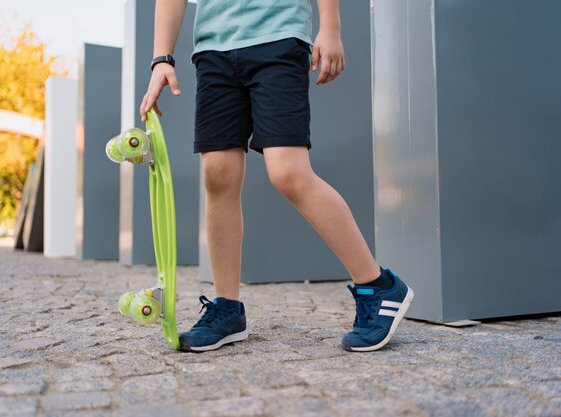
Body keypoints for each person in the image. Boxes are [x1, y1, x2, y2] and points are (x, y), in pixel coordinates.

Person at [140, 0, 414, 352]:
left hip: (279, 38)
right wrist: (161, 58)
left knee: (288, 172)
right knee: (217, 174)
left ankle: (378, 286)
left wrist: (330, 28)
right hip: (213, 49)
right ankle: (227, 310)